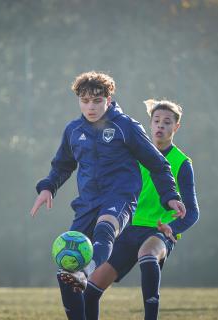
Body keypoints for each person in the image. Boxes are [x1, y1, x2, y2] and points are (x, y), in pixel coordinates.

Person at [30, 72, 186, 320]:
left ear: (108, 99)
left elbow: (158, 164)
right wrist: (48, 187)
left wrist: (170, 196)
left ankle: (87, 270)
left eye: (96, 101)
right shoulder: (73, 130)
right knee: (65, 272)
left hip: (121, 197)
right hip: (87, 203)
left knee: (105, 229)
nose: (90, 107)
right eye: (84, 101)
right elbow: (62, 165)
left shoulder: (126, 126)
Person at [83, 99, 200, 320]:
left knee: (147, 255)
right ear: (150, 124)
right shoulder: (135, 156)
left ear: (176, 127)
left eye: (167, 122)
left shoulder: (182, 163)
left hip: (159, 232)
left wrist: (171, 228)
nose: (160, 126)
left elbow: (192, 212)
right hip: (127, 230)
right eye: (156, 121)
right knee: (90, 290)